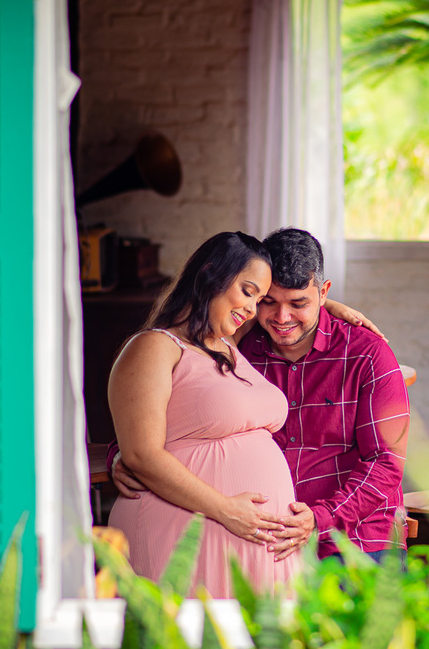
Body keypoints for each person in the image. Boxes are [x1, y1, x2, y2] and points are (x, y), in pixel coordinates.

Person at [115, 228, 410, 564]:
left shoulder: (367, 353)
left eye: (299, 303)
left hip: (349, 537)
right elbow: (158, 404)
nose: (281, 318)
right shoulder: (239, 340)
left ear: (323, 292)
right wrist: (121, 452)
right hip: (254, 538)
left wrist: (319, 519)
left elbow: (386, 463)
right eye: (267, 301)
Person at [105, 231, 298, 597]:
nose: (252, 309)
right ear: (212, 274)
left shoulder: (226, 344)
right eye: (248, 291)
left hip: (248, 539)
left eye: (260, 300)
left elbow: (295, 309)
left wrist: (330, 305)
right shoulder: (155, 347)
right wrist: (226, 510)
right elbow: (141, 454)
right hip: (183, 533)